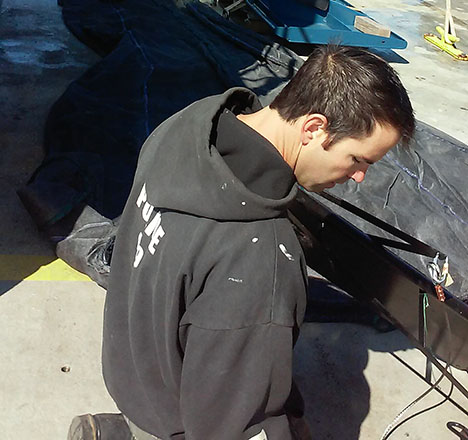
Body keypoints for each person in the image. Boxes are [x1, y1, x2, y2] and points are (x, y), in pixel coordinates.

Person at [68, 44, 414, 440]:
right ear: (313, 128)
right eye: (358, 159)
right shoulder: (259, 262)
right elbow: (228, 424)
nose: (359, 178)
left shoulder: (190, 126)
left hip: (129, 367)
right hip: (171, 417)